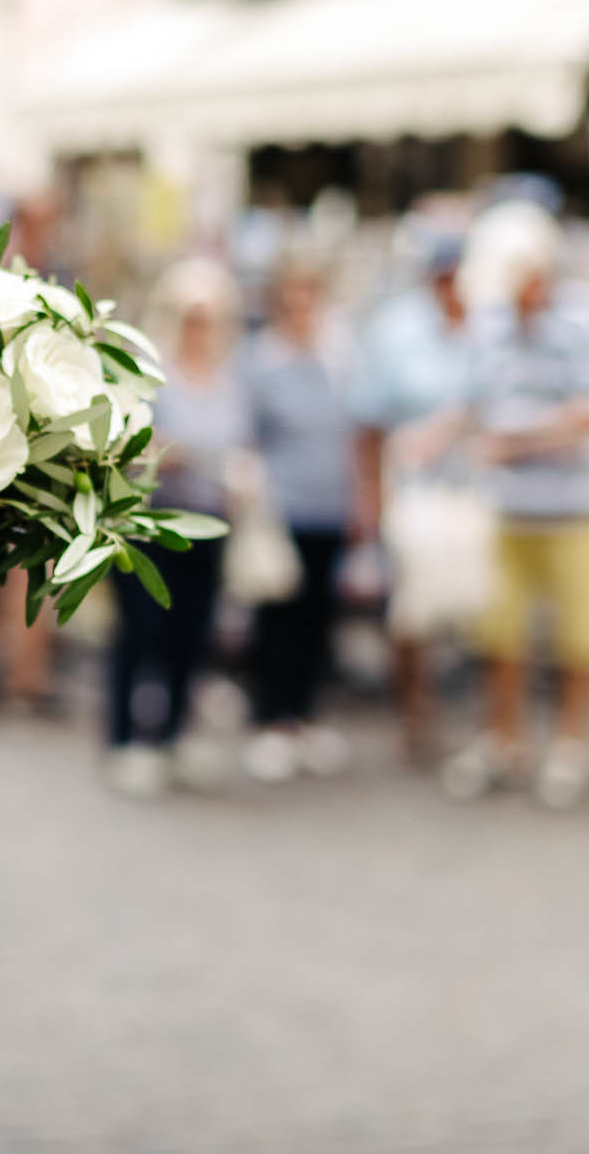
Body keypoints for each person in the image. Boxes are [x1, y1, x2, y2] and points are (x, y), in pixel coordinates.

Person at [442, 198, 589, 809]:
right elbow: (479, 401)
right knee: (501, 635)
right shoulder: (492, 325)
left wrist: (519, 440)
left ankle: (570, 749)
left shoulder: (587, 321)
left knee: (581, 638)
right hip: (510, 508)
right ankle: (505, 743)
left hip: (578, 509)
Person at [101, 257, 245, 798]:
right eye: (191, 316)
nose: (199, 327)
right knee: (140, 631)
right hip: (148, 520)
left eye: (208, 317)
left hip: (209, 522)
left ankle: (173, 734)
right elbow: (127, 439)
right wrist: (167, 453)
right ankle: (124, 739)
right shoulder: (148, 371)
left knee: (193, 632)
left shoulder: (229, 378)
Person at [347, 226, 477, 766]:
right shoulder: (396, 329)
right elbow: (369, 424)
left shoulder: (490, 325)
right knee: (413, 610)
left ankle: (482, 724)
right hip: (416, 492)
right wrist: (370, 502)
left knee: (476, 604)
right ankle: (416, 715)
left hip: (478, 491)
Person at [235, 252, 354, 784]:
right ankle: (269, 717)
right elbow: (249, 434)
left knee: (318, 617)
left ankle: (306, 712)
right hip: (282, 508)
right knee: (277, 617)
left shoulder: (339, 353)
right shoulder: (262, 360)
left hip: (331, 506)